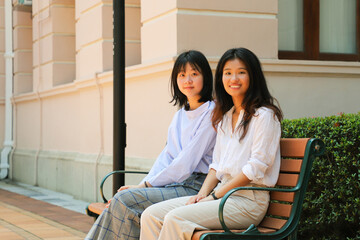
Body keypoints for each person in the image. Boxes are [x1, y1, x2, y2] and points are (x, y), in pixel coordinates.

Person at [139, 47, 283, 240]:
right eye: (228, 73)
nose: (234, 79)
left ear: (253, 76)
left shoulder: (264, 116)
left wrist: (214, 196)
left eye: (241, 72)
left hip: (248, 202)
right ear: (220, 78)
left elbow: (255, 168)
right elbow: (216, 165)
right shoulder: (226, 117)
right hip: (222, 197)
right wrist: (202, 194)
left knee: (175, 219)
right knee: (151, 215)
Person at [85, 50, 217, 240]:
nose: (188, 79)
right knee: (119, 202)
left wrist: (146, 185)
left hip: (196, 187)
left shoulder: (212, 113)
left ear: (205, 77)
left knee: (124, 201)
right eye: (182, 75)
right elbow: (167, 156)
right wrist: (142, 185)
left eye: (194, 74)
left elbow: (184, 164)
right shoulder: (180, 114)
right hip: (175, 184)